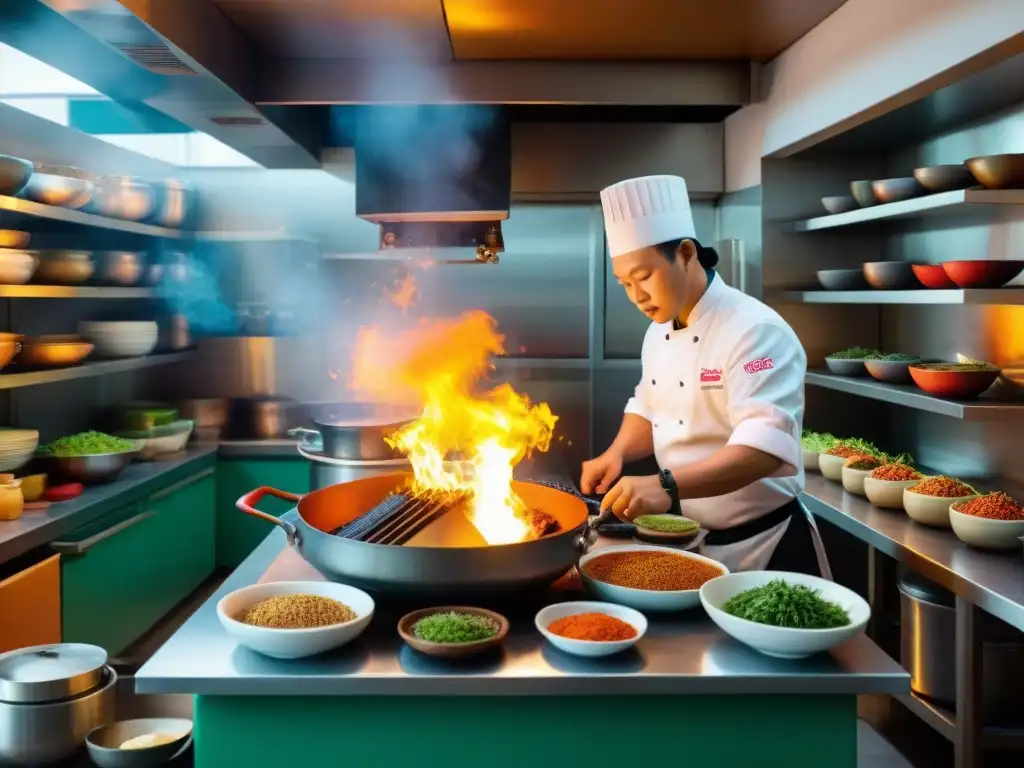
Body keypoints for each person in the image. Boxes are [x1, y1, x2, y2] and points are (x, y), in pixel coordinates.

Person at [581, 174, 828, 575]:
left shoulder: (755, 331)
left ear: (685, 253)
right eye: (624, 283)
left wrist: (666, 485)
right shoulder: (658, 330)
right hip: (689, 542)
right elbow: (650, 405)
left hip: (764, 547)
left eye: (644, 277)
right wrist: (618, 453)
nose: (636, 296)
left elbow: (763, 449)